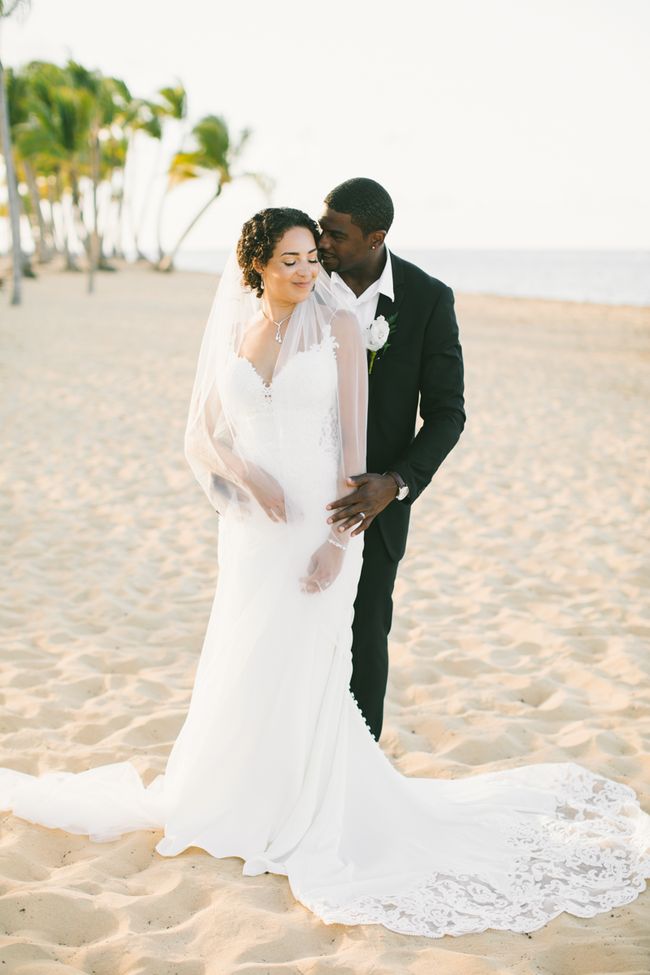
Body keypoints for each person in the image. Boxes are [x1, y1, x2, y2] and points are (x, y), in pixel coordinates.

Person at [0, 208, 648, 939]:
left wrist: (339, 541)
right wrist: (250, 478)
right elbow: (202, 434)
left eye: (313, 257)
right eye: (291, 261)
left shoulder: (339, 326)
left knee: (309, 663)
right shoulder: (238, 330)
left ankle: (302, 805)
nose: (308, 271)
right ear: (257, 268)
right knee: (249, 658)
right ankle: (240, 796)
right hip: (254, 533)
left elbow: (351, 442)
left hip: (321, 524)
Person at [318, 178, 465, 741]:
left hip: (373, 509)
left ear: (375, 238)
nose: (323, 242)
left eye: (337, 234)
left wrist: (395, 483)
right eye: (322, 228)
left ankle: (361, 764)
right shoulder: (304, 282)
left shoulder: (428, 299)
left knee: (365, 634)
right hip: (299, 494)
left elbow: (447, 414)